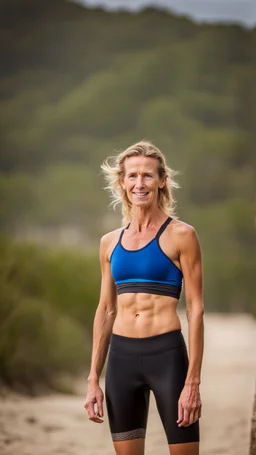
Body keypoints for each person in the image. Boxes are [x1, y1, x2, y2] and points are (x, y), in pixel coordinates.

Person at [84, 140, 204, 455]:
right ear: (122, 183)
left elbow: (195, 310)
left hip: (167, 357)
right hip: (121, 360)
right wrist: (93, 378)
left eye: (148, 176)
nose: (140, 183)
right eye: (133, 176)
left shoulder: (182, 235)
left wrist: (192, 382)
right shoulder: (109, 243)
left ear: (162, 180)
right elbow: (106, 311)